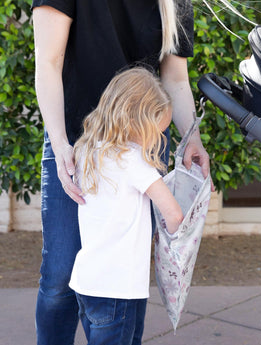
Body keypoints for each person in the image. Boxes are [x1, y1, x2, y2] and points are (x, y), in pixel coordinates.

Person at [32, 0, 211, 344]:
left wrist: (192, 139)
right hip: (73, 142)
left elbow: (174, 78)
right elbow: (48, 62)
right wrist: (59, 146)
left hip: (143, 144)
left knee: (122, 273)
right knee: (59, 278)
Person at [69, 67, 183, 345]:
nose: (157, 139)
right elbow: (174, 214)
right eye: (157, 131)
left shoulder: (86, 150)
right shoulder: (134, 161)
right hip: (119, 288)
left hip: (88, 283)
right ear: (138, 122)